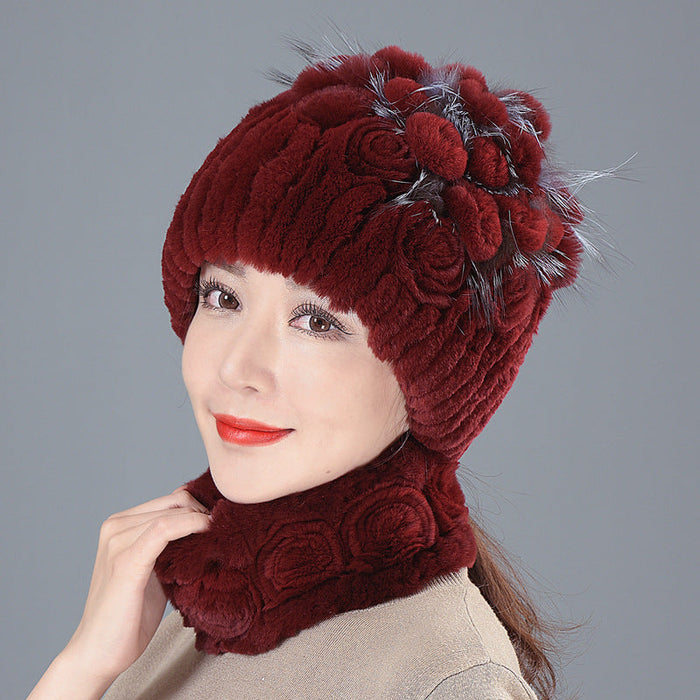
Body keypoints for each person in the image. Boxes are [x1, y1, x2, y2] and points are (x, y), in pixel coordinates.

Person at [29, 43, 593, 699]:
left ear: (428, 382)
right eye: (224, 298)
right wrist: (83, 667)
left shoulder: (442, 678)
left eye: (317, 321)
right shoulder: (171, 594)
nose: (238, 368)